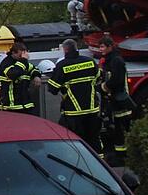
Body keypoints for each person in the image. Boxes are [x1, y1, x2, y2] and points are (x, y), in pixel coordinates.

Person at [46, 39, 102, 155]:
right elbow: (98, 78)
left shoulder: (62, 66)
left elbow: (52, 88)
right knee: (94, 139)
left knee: (76, 141)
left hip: (74, 112)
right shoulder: (90, 62)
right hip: (93, 109)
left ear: (65, 50)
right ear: (76, 48)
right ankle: (99, 165)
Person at [97, 35, 136, 165]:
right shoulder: (109, 60)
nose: (100, 49)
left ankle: (125, 157)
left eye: (102, 46)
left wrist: (104, 87)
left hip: (120, 101)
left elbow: (117, 80)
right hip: (113, 100)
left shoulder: (116, 61)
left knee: (123, 128)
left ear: (109, 46)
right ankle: (120, 155)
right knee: (116, 129)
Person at [0, 42, 41, 114]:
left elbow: (33, 68)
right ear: (13, 53)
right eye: (20, 55)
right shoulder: (6, 63)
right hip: (11, 106)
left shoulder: (22, 62)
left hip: (25, 105)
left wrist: (36, 76)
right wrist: (23, 60)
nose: (22, 57)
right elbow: (13, 74)